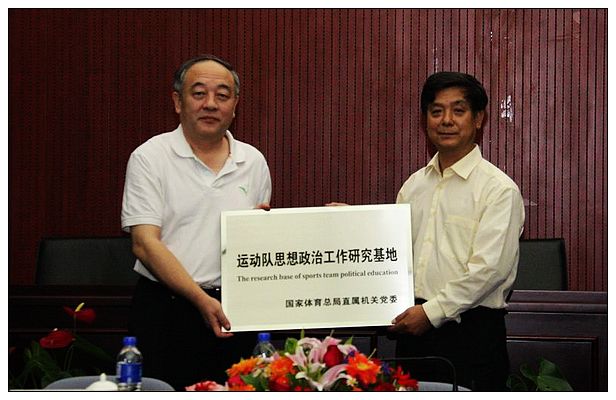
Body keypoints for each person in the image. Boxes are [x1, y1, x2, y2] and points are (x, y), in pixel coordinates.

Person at [121, 54, 272, 390]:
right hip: (165, 310)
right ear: (178, 102)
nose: (211, 104)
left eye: (222, 95)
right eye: (199, 93)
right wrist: (201, 300)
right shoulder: (150, 157)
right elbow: (144, 243)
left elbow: (254, 244)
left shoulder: (253, 161)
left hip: (234, 312)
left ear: (235, 105)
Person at [388, 71, 525, 391]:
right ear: (425, 120)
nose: (446, 120)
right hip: (412, 331)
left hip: (471, 336)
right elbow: (394, 252)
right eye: (436, 111)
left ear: (478, 119)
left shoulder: (498, 190)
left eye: (458, 110)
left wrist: (431, 313)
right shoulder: (413, 186)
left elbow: (489, 270)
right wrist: (353, 226)